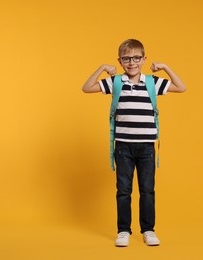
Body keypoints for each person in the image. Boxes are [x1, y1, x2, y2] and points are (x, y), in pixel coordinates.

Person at [82, 39, 186, 247]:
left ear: (144, 59)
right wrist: (102, 68)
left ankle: (148, 230)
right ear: (120, 61)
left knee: (147, 189)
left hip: (147, 146)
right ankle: (123, 231)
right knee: (123, 190)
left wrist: (165, 67)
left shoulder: (152, 82)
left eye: (136, 58)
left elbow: (181, 87)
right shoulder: (116, 82)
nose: (132, 62)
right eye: (126, 58)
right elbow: (86, 87)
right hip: (123, 147)